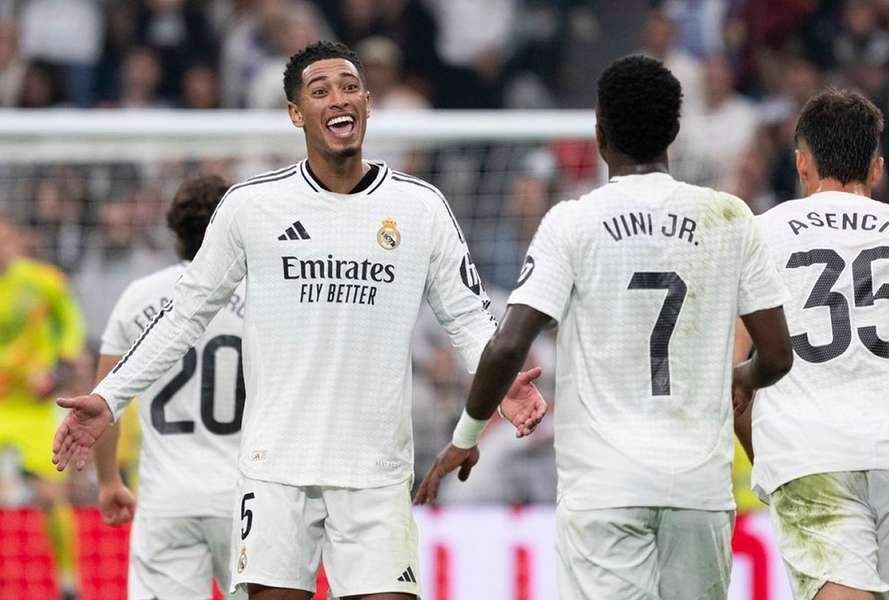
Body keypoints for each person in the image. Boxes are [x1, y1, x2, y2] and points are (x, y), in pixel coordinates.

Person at [51, 40, 545, 600]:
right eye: (321, 90)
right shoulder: (251, 205)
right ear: (295, 113)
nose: (340, 98)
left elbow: (469, 319)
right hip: (275, 470)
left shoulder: (420, 206)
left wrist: (500, 385)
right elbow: (183, 315)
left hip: (375, 472)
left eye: (351, 86)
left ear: (367, 102)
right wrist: (111, 396)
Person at [415, 55, 794, 600]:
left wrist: (465, 438)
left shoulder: (573, 222)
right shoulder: (731, 218)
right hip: (699, 488)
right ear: (675, 131)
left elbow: (507, 346)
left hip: (605, 487)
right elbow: (778, 357)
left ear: (599, 132)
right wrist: (740, 378)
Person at [734, 89, 889, 600]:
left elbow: (731, 378)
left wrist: (769, 457)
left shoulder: (758, 235)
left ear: (802, 163)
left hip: (811, 454)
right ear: (876, 169)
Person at [91, 175, 248, 600]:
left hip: (167, 501)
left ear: (175, 233)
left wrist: (108, 482)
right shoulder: (262, 298)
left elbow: (103, 403)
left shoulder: (138, 297)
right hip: (248, 500)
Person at [0, 217, 85, 600]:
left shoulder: (44, 282)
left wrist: (57, 369)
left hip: (32, 409)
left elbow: (71, 327)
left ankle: (69, 580)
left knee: (52, 495)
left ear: (16, 240)